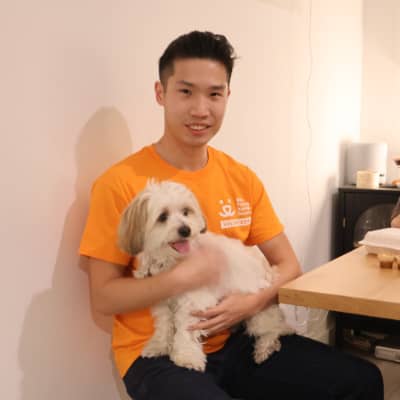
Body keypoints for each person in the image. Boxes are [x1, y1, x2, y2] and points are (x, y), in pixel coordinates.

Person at [80, 31, 383, 400]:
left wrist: (251, 302)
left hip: (238, 338)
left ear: (227, 96)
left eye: (214, 94)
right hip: (156, 354)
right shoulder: (120, 184)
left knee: (362, 379)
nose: (200, 109)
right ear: (160, 93)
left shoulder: (241, 178)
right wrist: (183, 277)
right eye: (186, 92)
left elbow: (289, 265)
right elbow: (104, 297)